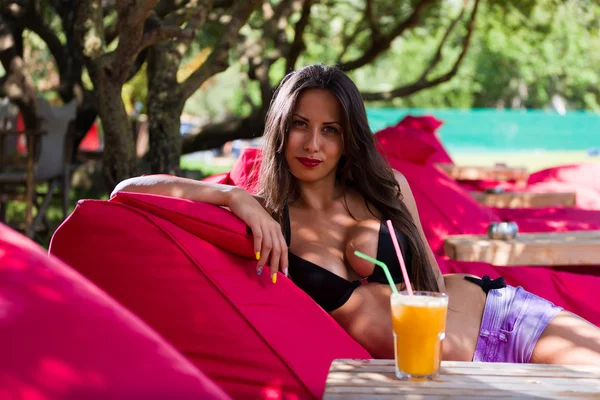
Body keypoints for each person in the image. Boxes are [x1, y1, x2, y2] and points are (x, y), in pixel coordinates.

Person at [113, 64, 600, 366]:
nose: (313, 144)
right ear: (282, 130)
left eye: (331, 130)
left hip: (499, 315)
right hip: (433, 369)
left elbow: (429, 278)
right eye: (301, 125)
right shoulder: (266, 214)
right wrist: (234, 198)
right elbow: (128, 189)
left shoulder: (387, 188)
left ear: (348, 139)